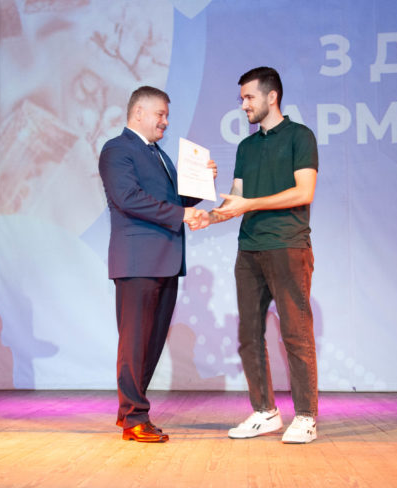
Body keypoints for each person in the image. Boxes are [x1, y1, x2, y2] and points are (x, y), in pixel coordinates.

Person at [209, 67, 319, 443]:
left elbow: (304, 192)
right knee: (248, 335)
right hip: (249, 249)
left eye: (249, 97)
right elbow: (236, 199)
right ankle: (265, 412)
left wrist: (250, 204)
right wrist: (207, 215)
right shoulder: (246, 147)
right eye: (242, 99)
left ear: (272, 97)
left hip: (288, 245)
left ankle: (305, 417)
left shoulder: (300, 136)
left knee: (295, 333)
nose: (243, 105)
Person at [98, 86, 214, 443]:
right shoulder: (117, 149)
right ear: (139, 113)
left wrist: (202, 183)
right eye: (160, 114)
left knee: (150, 344)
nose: (165, 121)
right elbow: (129, 199)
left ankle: (132, 414)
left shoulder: (158, 154)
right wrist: (182, 214)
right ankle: (134, 417)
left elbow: (173, 199)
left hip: (165, 260)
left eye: (167, 115)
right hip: (137, 262)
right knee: (135, 343)